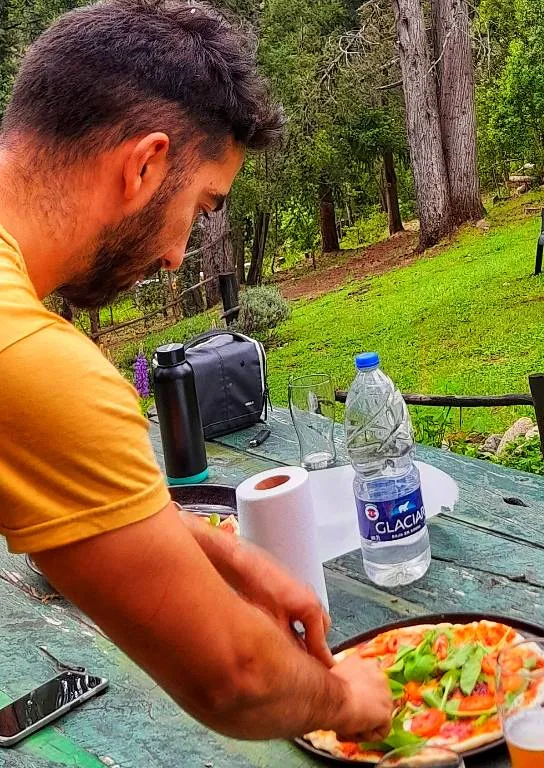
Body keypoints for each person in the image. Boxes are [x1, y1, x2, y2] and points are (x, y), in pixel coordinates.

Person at [0, 0, 392, 742]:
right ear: (145, 165)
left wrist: (218, 551)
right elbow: (235, 679)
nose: (179, 255)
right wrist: (351, 698)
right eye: (202, 204)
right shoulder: (30, 358)